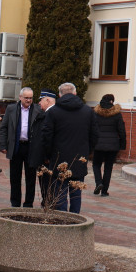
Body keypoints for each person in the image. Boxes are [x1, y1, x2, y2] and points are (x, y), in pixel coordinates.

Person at [41, 82, 97, 214]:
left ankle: (62, 220)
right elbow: (94, 135)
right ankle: (75, 221)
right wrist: (87, 153)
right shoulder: (88, 111)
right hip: (79, 159)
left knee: (59, 193)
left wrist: (48, 155)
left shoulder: (53, 112)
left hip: (59, 159)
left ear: (59, 95)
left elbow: (46, 136)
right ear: (75, 93)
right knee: (76, 193)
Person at [0, 88, 41, 208]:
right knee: (15, 177)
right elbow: (4, 128)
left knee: (31, 177)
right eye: (26, 98)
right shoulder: (11, 109)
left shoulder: (37, 110)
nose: (29, 100)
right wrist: (3, 145)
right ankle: (15, 203)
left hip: (31, 148)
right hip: (16, 147)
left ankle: (28, 203)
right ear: (20, 97)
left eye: (31, 98)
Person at [91, 94, 126, 196]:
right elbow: (122, 131)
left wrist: (91, 143)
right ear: (111, 101)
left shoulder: (95, 113)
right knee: (108, 167)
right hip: (112, 145)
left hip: (98, 144)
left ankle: (98, 183)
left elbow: (92, 129)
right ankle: (104, 191)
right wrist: (122, 144)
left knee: (96, 165)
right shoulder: (117, 114)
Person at [30, 90, 55, 206]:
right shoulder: (46, 113)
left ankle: (47, 204)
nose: (39, 103)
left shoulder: (51, 114)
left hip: (46, 158)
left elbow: (48, 137)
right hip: (44, 157)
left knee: (47, 183)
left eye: (41, 100)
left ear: (48, 100)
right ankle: (47, 202)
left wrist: (46, 156)